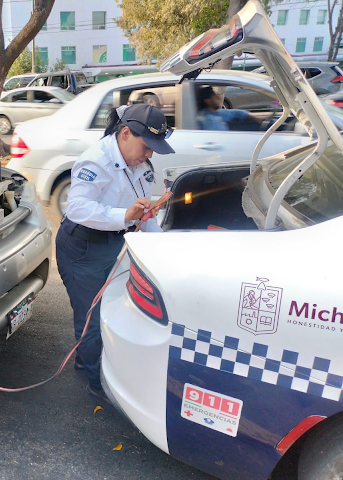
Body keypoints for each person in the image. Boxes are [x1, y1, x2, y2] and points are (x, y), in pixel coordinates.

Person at [55, 104, 175, 402]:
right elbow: (77, 208)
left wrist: (163, 250)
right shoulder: (96, 161)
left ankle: (105, 365)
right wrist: (125, 215)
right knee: (91, 318)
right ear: (125, 134)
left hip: (113, 243)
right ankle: (92, 378)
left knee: (115, 309)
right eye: (146, 146)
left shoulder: (141, 165)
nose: (149, 155)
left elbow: (144, 213)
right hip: (81, 247)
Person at [196, 86, 262, 131]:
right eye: (215, 97)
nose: (219, 99)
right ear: (209, 101)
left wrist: (257, 119)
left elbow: (236, 113)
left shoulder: (217, 112)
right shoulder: (206, 119)